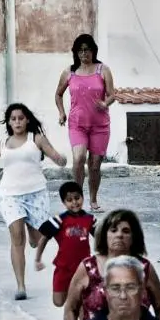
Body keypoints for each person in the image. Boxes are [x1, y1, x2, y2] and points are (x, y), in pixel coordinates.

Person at [0, 104, 68, 301]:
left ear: (27, 119)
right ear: (9, 122)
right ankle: (21, 285)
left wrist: (62, 160)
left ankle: (32, 230)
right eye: (13, 119)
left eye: (21, 118)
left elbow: (55, 156)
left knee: (36, 240)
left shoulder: (36, 139)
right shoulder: (3, 143)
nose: (17, 122)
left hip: (36, 194)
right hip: (10, 194)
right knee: (16, 236)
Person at [62, 208, 160, 320]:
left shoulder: (144, 268)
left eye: (126, 231)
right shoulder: (88, 267)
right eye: (113, 230)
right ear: (104, 235)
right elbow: (70, 309)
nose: (119, 235)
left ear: (133, 237)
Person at [54, 34, 116, 213]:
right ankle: (76, 199)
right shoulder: (69, 72)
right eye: (80, 50)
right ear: (76, 52)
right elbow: (58, 94)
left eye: (87, 50)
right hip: (77, 124)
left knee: (95, 165)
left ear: (93, 51)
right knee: (79, 158)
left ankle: (94, 199)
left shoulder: (103, 70)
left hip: (100, 125)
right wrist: (61, 112)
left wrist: (105, 103)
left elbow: (112, 94)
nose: (84, 54)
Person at [47, 181, 96, 308]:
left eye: (77, 198)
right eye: (69, 200)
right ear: (64, 203)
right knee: (58, 302)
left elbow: (101, 237)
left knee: (81, 303)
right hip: (64, 266)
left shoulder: (89, 219)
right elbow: (44, 237)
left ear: (83, 197)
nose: (74, 202)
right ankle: (72, 296)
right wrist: (37, 258)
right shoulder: (60, 220)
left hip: (83, 267)